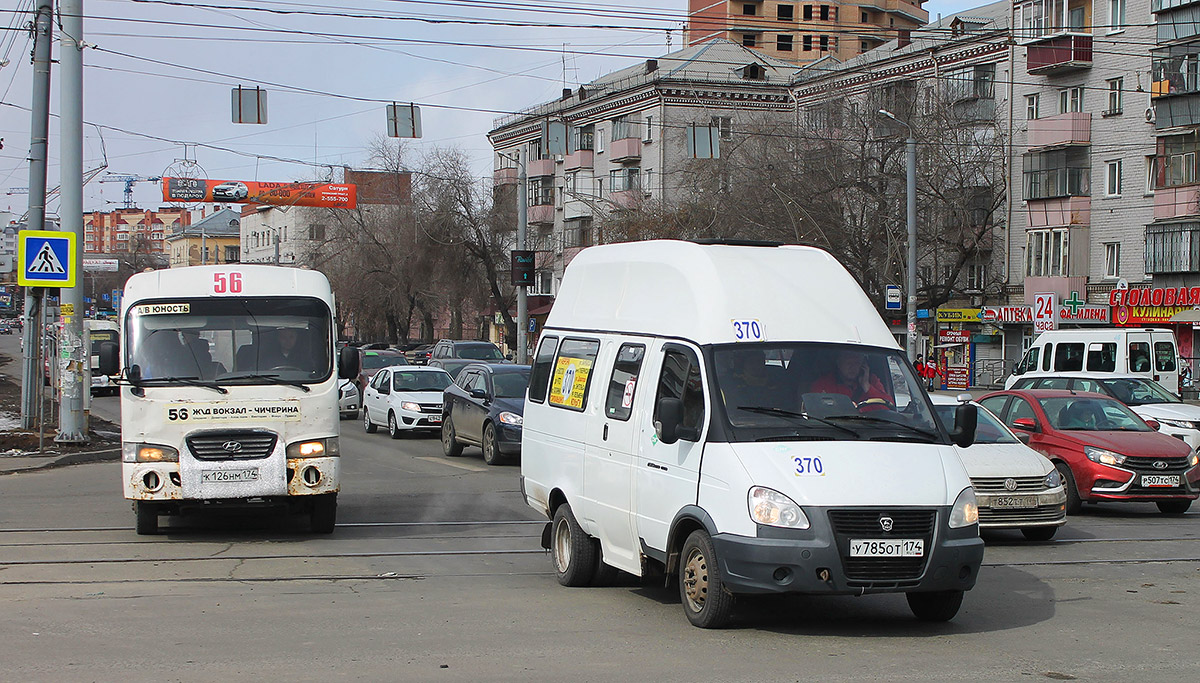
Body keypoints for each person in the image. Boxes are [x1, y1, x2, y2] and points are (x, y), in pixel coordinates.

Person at [810, 348, 893, 411]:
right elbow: (815, 411)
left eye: (856, 363)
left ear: (863, 365)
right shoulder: (824, 384)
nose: (853, 367)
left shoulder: (872, 381)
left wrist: (867, 386)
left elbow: (888, 409)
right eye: (849, 363)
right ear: (839, 363)